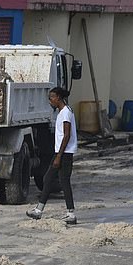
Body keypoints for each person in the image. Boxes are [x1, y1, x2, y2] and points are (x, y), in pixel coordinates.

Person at [27, 87, 78, 225]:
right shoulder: (62, 112)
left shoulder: (66, 113)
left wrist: (58, 156)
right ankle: (39, 210)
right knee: (48, 178)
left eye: (52, 97)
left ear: (59, 98)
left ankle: (71, 214)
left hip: (65, 153)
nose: (50, 100)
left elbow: (67, 135)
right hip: (61, 152)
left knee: (64, 181)